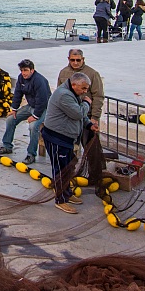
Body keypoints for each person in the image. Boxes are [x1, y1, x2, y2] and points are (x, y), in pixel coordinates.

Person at [41, 72, 93, 213]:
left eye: (86, 88)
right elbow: (78, 113)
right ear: (74, 84)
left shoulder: (72, 93)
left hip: (66, 138)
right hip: (57, 138)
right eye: (83, 88)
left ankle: (67, 193)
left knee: (68, 168)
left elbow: (78, 114)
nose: (85, 91)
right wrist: (87, 104)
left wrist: (88, 124)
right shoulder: (64, 95)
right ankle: (60, 200)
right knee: (60, 170)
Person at [0, 59, 51, 162]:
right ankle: (7, 146)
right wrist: (14, 109)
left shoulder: (39, 81)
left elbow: (42, 101)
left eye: (26, 70)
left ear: (32, 70)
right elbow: (17, 94)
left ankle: (31, 154)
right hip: (30, 106)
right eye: (22, 70)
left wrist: (35, 116)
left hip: (43, 108)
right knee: (10, 119)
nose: (23, 73)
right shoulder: (21, 78)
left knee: (33, 126)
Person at [58, 49, 105, 151]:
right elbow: (59, 94)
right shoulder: (63, 73)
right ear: (68, 59)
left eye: (78, 60)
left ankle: (96, 167)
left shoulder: (92, 74)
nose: (75, 63)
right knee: (69, 147)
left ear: (83, 59)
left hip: (86, 116)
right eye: (72, 60)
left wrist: (95, 117)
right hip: (69, 117)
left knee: (91, 147)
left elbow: (98, 96)